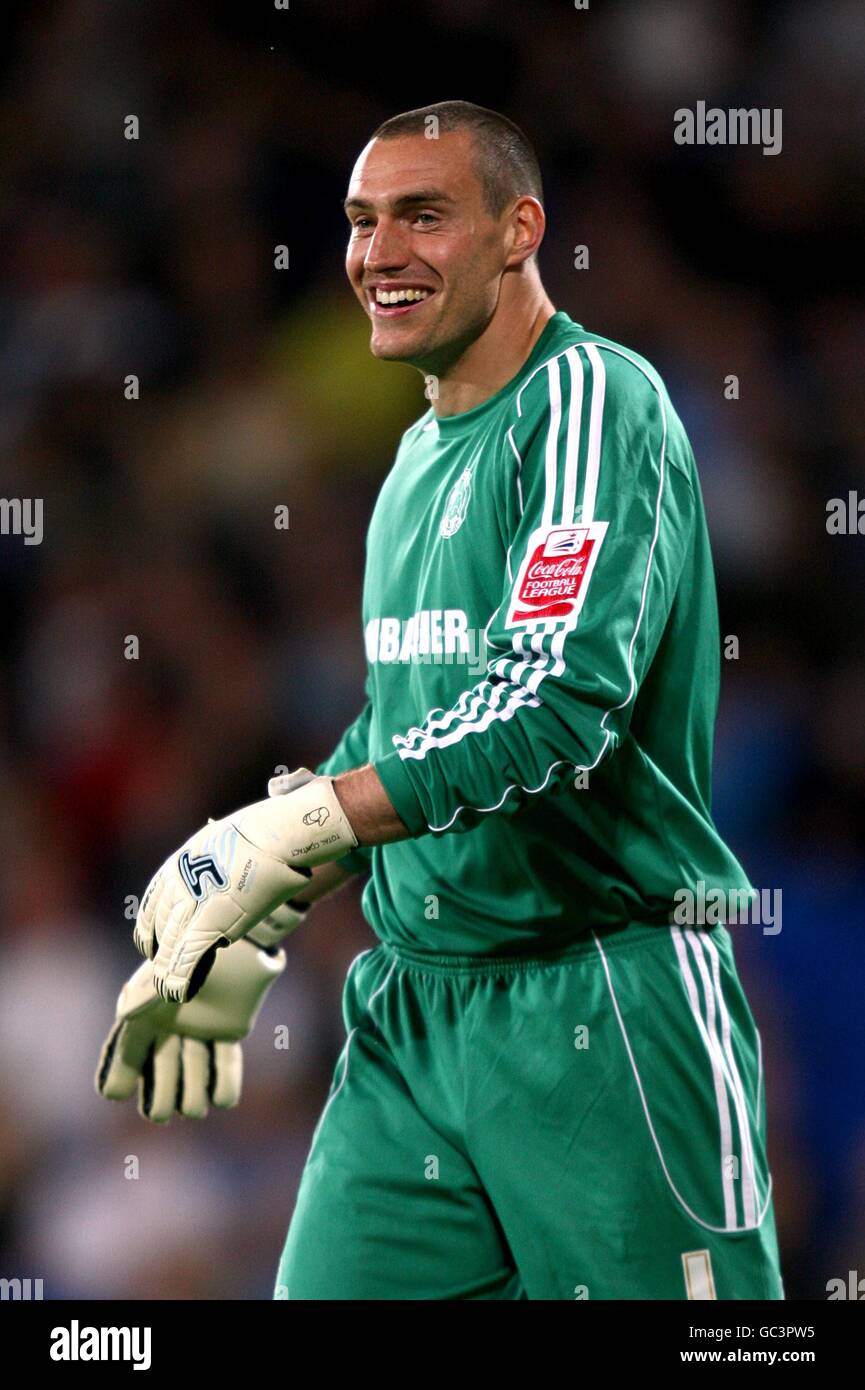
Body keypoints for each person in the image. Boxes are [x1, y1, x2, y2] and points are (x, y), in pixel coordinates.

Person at [97, 100, 784, 1302]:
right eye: (362, 222)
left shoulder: (591, 403)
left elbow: (549, 707)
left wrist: (291, 831)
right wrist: (258, 889)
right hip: (414, 1014)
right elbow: (410, 723)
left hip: (602, 1006)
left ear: (521, 230)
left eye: (423, 215)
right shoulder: (414, 459)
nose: (379, 252)